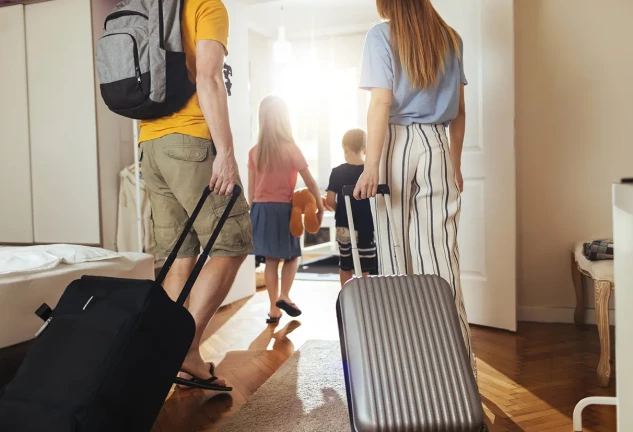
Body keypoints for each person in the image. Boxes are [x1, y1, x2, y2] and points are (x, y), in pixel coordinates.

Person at [353, 0, 477, 377]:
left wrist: (371, 165)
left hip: (395, 146)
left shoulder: (381, 35)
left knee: (396, 260)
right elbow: (460, 110)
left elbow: (380, 102)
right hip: (437, 144)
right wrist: (454, 161)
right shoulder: (450, 38)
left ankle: (408, 371)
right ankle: (460, 374)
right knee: (441, 260)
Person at [139, 0, 253, 390]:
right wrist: (226, 151)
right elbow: (208, 77)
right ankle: (185, 349)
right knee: (233, 240)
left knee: (179, 254)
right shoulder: (207, 6)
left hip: (150, 144)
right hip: (190, 141)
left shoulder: (152, 7)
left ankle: (166, 355)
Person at [248, 96, 324, 324]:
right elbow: (309, 182)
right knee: (292, 257)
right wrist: (319, 203)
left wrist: (252, 217)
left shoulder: (255, 152)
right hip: (284, 210)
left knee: (271, 261)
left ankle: (274, 311)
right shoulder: (291, 149)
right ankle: (285, 295)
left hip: (261, 210)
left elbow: (251, 193)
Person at [326, 129, 377, 286]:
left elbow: (329, 201)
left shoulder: (337, 172)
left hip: (344, 225)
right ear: (365, 148)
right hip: (366, 225)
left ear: (344, 147)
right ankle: (363, 296)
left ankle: (346, 296)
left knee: (345, 263)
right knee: (364, 266)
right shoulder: (369, 172)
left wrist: (340, 211)